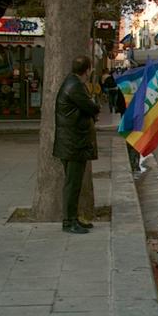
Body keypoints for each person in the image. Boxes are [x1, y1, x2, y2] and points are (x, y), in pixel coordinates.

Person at [53, 55, 100, 234]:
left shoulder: (72, 83)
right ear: (87, 70)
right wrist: (94, 105)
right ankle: (69, 221)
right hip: (72, 143)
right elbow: (92, 107)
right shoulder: (75, 86)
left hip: (72, 142)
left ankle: (73, 218)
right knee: (72, 184)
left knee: (74, 183)